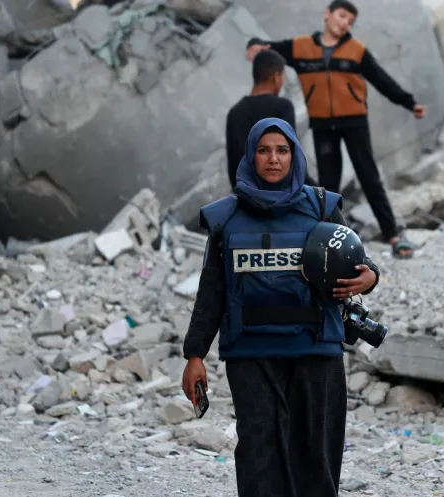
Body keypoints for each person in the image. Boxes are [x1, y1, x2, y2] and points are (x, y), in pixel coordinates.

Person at [181, 117, 381, 497]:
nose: (273, 159)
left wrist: (369, 277)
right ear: (251, 156)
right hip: (251, 354)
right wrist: (195, 354)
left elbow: (360, 262)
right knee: (259, 453)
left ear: (294, 156)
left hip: (315, 350)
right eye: (263, 150)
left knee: (316, 455)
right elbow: (212, 288)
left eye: (282, 150)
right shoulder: (226, 218)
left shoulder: (321, 206)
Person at [244, 0, 426, 259]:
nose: (345, 23)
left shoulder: (356, 50)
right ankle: (327, 239)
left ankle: (393, 235)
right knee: (328, 185)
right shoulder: (301, 47)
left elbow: (382, 80)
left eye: (350, 21)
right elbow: (269, 47)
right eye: (342, 16)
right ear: (327, 15)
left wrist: (410, 103)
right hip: (323, 125)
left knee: (368, 177)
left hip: (354, 122)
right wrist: (253, 42)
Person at [226, 49, 318, 189]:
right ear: (276, 77)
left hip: (247, 195)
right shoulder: (282, 107)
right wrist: (318, 192)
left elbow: (234, 165)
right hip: (278, 194)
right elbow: (290, 158)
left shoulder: (234, 113)